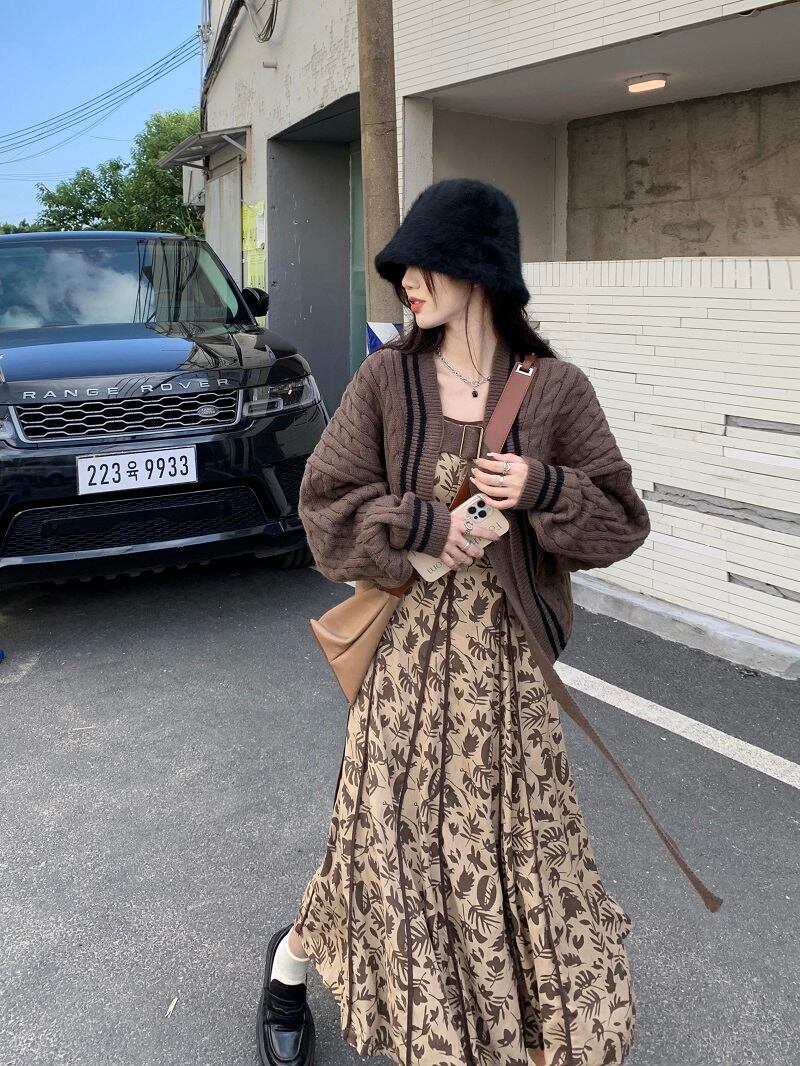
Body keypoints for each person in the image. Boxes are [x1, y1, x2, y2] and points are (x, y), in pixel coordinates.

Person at [256, 178, 654, 1066]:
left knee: (516, 856)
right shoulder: (387, 380)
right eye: (400, 267)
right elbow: (323, 508)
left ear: (478, 268)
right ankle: (289, 966)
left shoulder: (554, 390)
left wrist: (545, 487)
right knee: (382, 847)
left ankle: (501, 1027)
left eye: (423, 262)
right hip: (402, 671)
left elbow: (622, 523)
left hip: (510, 677)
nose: (406, 280)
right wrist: (424, 525)